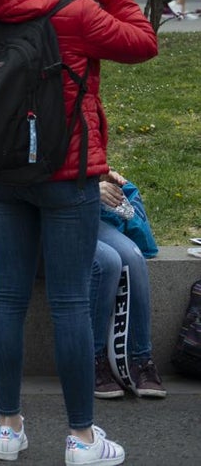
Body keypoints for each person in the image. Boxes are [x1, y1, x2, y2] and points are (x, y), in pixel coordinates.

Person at [0, 0, 157, 464]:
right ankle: (82, 438)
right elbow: (144, 42)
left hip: (1, 169)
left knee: (9, 296)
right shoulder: (77, 12)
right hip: (66, 174)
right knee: (67, 302)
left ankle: (9, 428)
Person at [91, 171, 166, 400]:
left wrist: (102, 175)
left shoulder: (87, 133)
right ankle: (93, 359)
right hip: (51, 216)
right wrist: (89, 190)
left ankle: (141, 359)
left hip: (86, 210)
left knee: (133, 256)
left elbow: (86, 157)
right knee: (107, 262)